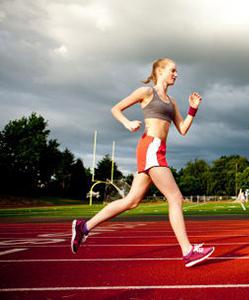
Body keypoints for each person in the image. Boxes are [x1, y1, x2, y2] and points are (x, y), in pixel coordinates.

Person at [70, 58, 214, 267]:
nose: (176, 74)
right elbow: (116, 109)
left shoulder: (172, 102)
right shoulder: (146, 92)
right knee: (175, 197)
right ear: (160, 71)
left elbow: (182, 129)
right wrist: (127, 123)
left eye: (177, 71)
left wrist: (193, 109)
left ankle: (84, 227)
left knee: (132, 201)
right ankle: (187, 250)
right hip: (150, 147)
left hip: (157, 150)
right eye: (173, 70)